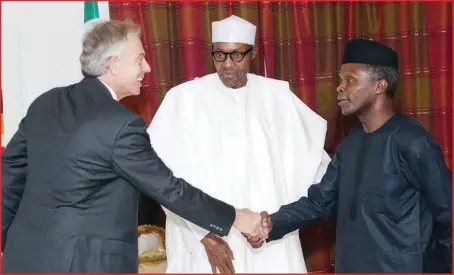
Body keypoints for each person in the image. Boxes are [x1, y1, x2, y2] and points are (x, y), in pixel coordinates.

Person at [1, 20, 265, 273]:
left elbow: (8, 180)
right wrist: (236, 217)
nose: (147, 68)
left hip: (23, 257)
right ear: (114, 64)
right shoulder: (121, 124)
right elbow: (169, 189)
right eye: (140, 58)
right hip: (85, 264)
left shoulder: (46, 103)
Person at [246, 39, 452, 273]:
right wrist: (272, 223)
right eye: (340, 80)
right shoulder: (349, 145)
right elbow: (320, 202)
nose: (339, 87)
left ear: (379, 86)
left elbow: (448, 215)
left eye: (350, 80)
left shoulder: (413, 143)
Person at [147, 15, 331, 273]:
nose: (227, 64)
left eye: (236, 55)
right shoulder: (182, 99)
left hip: (268, 242)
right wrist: (204, 235)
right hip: (205, 240)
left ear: (252, 53)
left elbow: (314, 165)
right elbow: (158, 178)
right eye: (219, 55)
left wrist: (275, 223)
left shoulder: (277, 96)